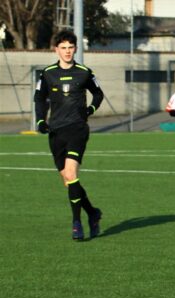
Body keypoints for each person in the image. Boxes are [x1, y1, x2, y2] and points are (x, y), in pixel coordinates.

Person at [34, 30, 104, 241]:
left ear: (75, 49)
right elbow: (39, 98)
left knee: (72, 174)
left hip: (77, 129)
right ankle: (93, 213)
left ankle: (76, 223)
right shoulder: (47, 73)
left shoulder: (84, 72)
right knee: (67, 179)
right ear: (56, 49)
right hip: (56, 131)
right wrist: (40, 120)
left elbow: (98, 94)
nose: (67, 51)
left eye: (70, 47)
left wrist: (90, 110)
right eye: (63, 47)